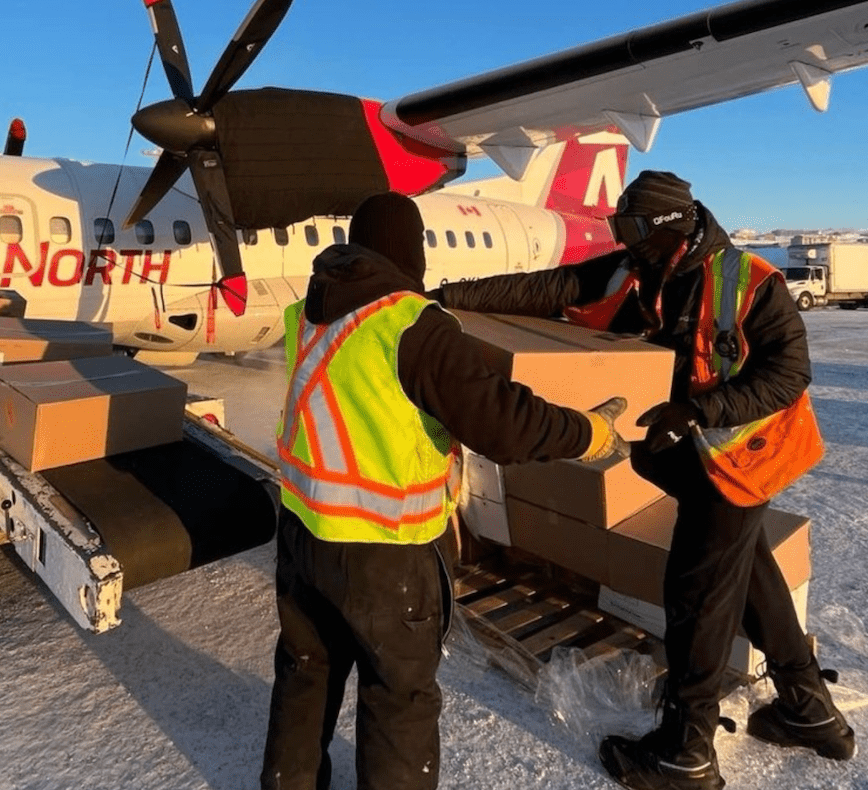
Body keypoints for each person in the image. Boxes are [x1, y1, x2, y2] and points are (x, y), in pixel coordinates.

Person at [431, 171, 855, 790]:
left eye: (631, 228)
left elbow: (790, 374)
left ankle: (686, 754)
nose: (623, 241)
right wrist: (445, 296)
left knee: (697, 597)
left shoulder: (751, 283)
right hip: (697, 456)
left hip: (744, 456)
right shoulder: (641, 265)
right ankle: (810, 710)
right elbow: (551, 286)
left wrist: (699, 411)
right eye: (618, 227)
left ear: (670, 226)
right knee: (749, 571)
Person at [260, 192, 628, 790]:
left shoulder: (311, 311)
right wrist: (589, 433)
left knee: (307, 672)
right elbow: (503, 424)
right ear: (412, 252)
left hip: (303, 533)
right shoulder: (411, 325)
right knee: (397, 699)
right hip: (385, 553)